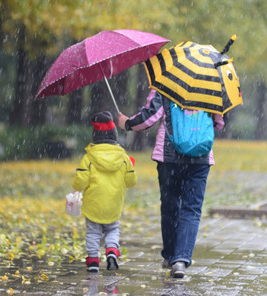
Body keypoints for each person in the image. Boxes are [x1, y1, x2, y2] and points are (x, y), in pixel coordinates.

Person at [118, 90, 224, 278]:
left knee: (170, 206)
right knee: (191, 209)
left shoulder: (165, 84)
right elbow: (218, 122)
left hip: (169, 157)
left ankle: (169, 255)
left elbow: (149, 117)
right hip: (200, 156)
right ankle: (180, 260)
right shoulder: (210, 86)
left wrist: (127, 123)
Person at [73, 111, 137, 272]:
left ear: (95, 135)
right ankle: (111, 251)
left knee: (93, 232)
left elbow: (80, 181)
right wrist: (130, 168)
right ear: (114, 135)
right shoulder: (123, 157)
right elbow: (131, 181)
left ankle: (93, 260)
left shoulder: (88, 158)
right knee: (112, 229)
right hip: (113, 204)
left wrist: (76, 189)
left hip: (93, 203)